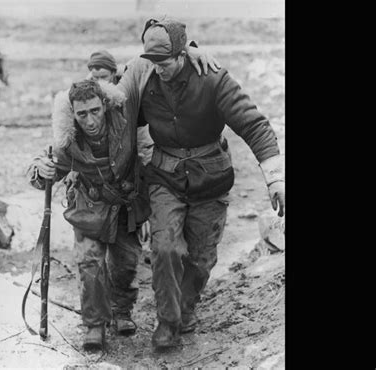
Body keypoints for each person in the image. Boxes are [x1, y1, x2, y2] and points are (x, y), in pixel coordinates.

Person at [27, 47, 218, 352]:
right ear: (73, 115)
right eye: (81, 114)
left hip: (125, 207)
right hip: (89, 209)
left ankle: (122, 311)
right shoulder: (69, 139)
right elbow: (46, 169)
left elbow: (149, 61)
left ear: (104, 105)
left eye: (94, 111)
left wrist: (191, 50)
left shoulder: (125, 121)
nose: (89, 120)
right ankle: (94, 325)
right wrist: (41, 170)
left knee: (126, 265)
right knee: (90, 262)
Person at [113, 17, 285, 349]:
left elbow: (255, 126)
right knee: (164, 249)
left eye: (166, 61)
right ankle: (168, 321)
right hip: (165, 177)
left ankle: (187, 307)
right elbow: (117, 110)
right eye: (153, 62)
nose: (160, 69)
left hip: (211, 180)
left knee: (201, 257)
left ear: (183, 54)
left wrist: (275, 178)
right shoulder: (145, 77)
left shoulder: (213, 79)